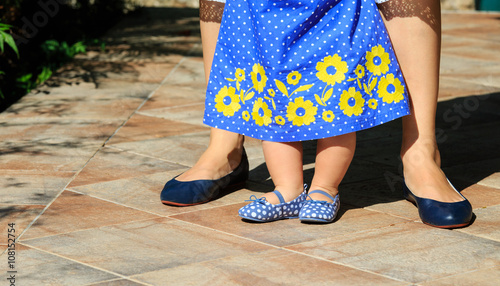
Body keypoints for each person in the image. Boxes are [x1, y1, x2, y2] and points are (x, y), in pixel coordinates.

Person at [161, 0, 473, 228]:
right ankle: (282, 184)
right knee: (275, 110)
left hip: (333, 19)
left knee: (336, 104)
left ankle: (333, 185)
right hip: (266, 21)